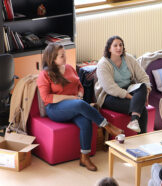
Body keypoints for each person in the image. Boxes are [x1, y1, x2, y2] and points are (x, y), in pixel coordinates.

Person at [37, 43, 123, 171]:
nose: (65, 57)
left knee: (85, 120)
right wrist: (72, 98)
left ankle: (85, 157)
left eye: (64, 54)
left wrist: (79, 93)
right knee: (80, 104)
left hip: (74, 106)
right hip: (55, 109)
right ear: (52, 58)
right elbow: (47, 98)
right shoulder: (45, 74)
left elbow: (79, 85)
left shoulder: (70, 68)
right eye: (61, 56)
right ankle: (107, 126)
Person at [95, 36, 151, 133]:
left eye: (121, 45)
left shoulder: (128, 58)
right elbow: (110, 88)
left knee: (143, 86)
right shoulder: (103, 64)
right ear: (109, 48)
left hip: (128, 89)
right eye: (115, 45)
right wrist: (133, 98)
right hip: (109, 96)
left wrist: (146, 93)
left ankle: (134, 122)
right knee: (141, 108)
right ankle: (140, 133)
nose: (119, 48)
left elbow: (144, 77)